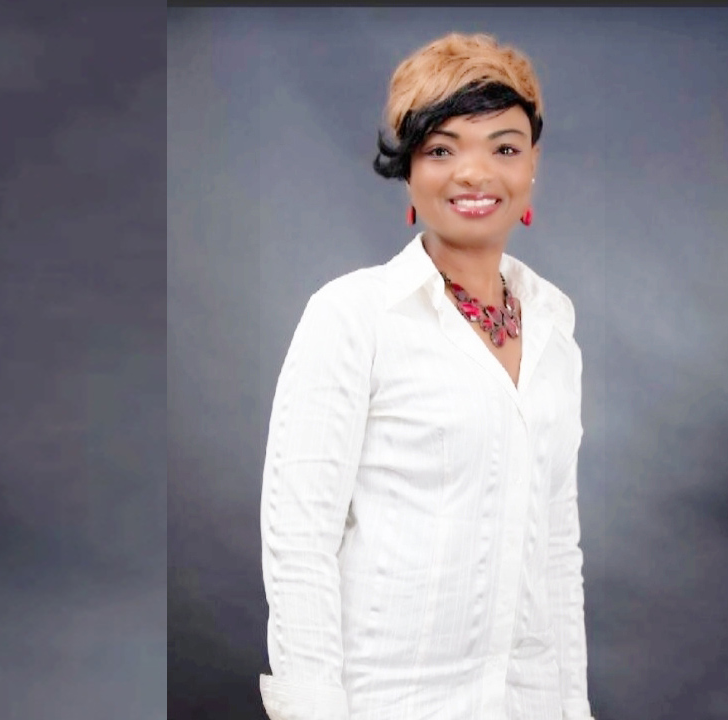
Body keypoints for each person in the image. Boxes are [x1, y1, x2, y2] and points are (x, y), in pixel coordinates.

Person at [259, 32, 593, 720]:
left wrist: (571, 706)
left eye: (503, 147)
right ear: (408, 169)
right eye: (442, 148)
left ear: (532, 167)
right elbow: (299, 542)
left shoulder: (554, 323)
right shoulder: (354, 316)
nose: (475, 173)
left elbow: (556, 546)